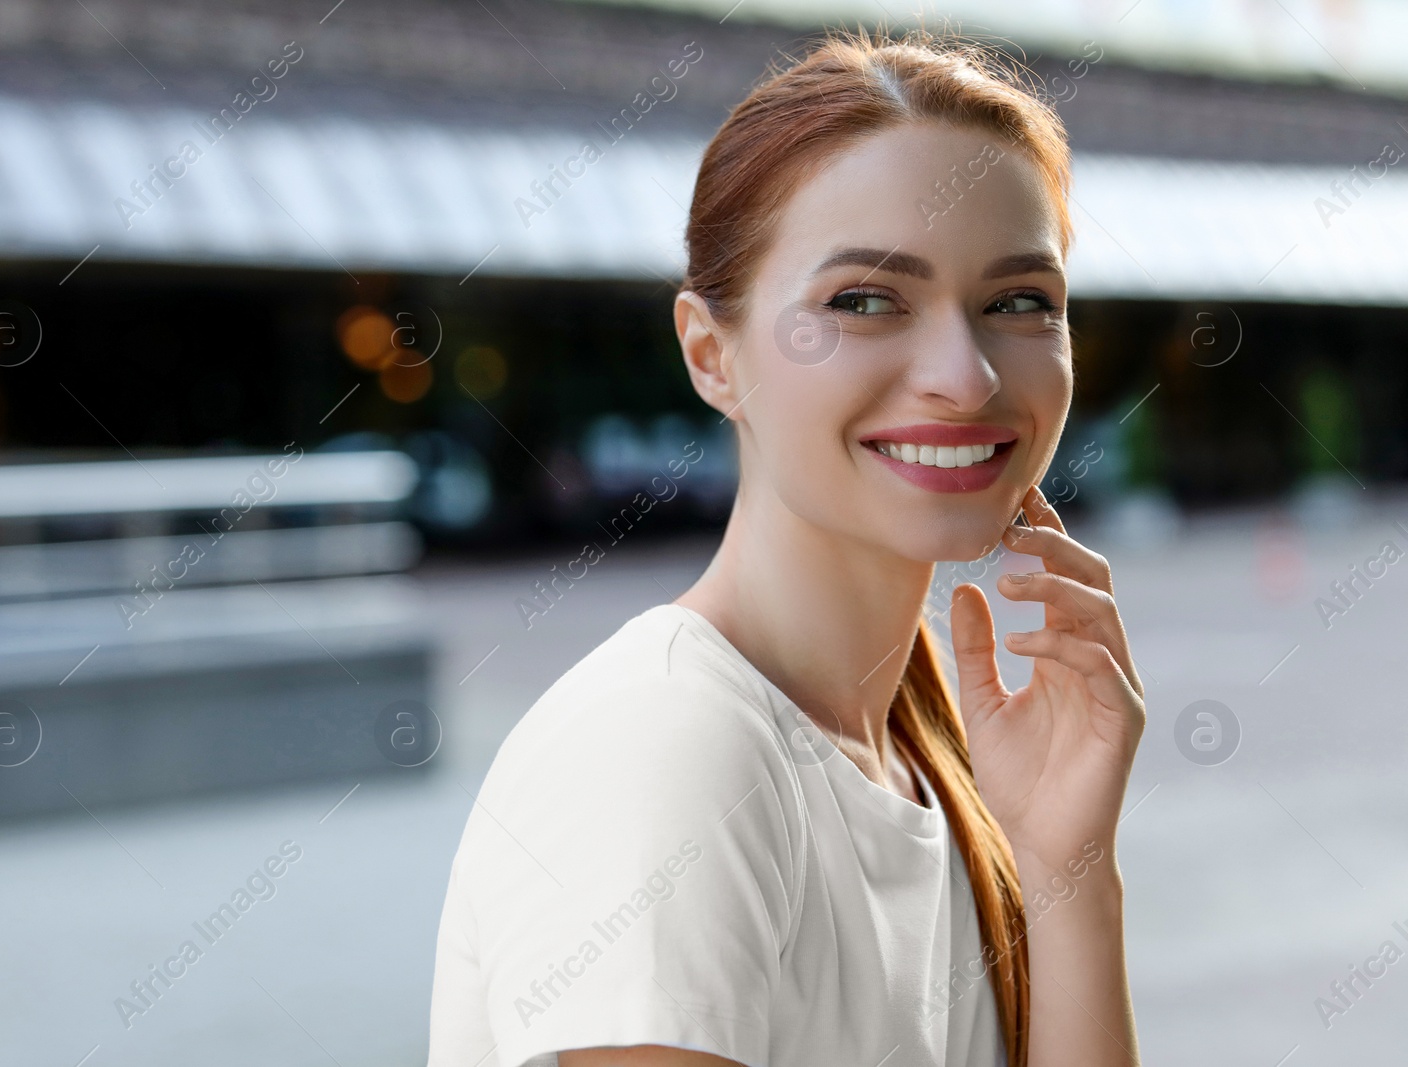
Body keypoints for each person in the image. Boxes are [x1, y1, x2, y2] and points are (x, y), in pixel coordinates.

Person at [428, 29, 1145, 1067]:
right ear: (711, 354)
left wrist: (1067, 865)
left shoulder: (920, 751)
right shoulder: (668, 745)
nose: (967, 374)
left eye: (1017, 302)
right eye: (863, 300)